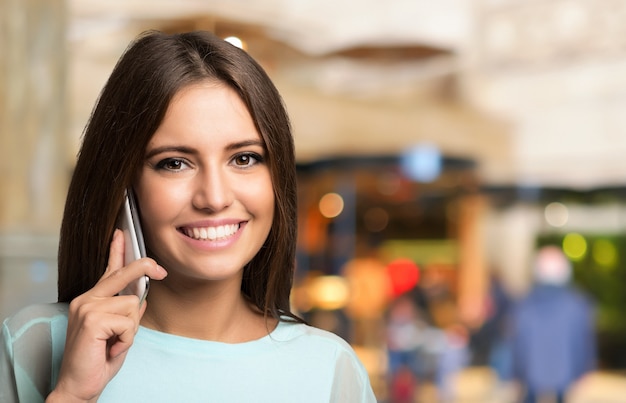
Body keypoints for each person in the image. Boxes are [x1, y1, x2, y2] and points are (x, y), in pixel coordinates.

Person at [0, 30, 376, 402]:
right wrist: (72, 396)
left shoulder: (329, 369)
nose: (214, 198)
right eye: (175, 163)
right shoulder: (33, 342)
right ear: (124, 186)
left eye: (244, 158)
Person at [511, 245, 596, 403]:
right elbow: (582, 341)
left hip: (531, 373)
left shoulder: (525, 304)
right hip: (564, 373)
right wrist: (584, 370)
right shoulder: (577, 303)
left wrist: (516, 373)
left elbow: (519, 343)